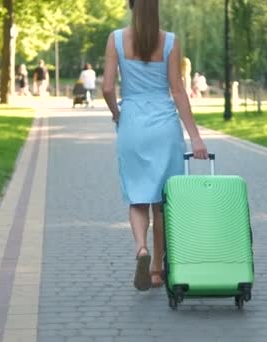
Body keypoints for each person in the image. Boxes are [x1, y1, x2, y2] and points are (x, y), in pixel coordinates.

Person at [102, 0, 208, 291]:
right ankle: (158, 270)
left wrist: (116, 114)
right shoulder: (170, 41)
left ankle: (141, 249)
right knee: (163, 200)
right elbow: (178, 91)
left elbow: (108, 87)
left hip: (132, 124)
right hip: (164, 126)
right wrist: (195, 137)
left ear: (131, 6)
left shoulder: (116, 39)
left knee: (137, 197)